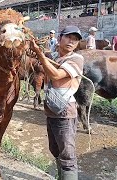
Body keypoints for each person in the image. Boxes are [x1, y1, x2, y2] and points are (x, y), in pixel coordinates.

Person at [30, 25, 84, 180]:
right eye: (68, 37)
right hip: (51, 110)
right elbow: (39, 63)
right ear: (59, 38)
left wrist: (40, 55)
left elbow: (56, 75)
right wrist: (33, 49)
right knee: (55, 149)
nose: (71, 41)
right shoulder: (54, 57)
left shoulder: (76, 59)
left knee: (67, 155)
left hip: (65, 112)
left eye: (75, 39)